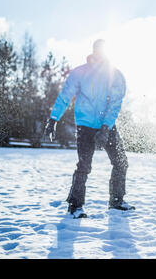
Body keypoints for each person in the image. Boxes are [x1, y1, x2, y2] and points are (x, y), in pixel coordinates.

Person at [44, 39, 134, 219]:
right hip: (85, 126)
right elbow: (65, 96)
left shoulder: (115, 75)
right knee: (84, 165)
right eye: (97, 51)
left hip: (106, 126)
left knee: (121, 162)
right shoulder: (80, 73)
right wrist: (53, 119)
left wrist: (106, 127)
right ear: (93, 52)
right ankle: (75, 206)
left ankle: (116, 201)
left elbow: (115, 104)